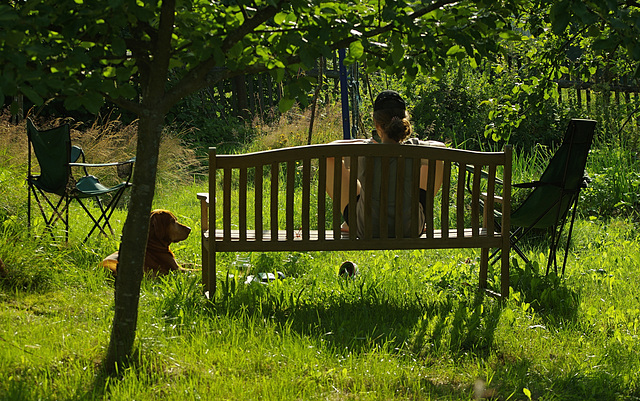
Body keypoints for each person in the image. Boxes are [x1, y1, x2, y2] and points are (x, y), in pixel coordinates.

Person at [326, 90, 445, 238]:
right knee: (437, 159)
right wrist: (416, 144)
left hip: (367, 229)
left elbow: (329, 149)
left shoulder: (364, 150)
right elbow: (440, 148)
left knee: (329, 160)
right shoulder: (414, 149)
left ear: (376, 123)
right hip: (410, 228)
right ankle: (419, 212)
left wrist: (362, 143)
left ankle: (350, 223)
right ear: (404, 122)